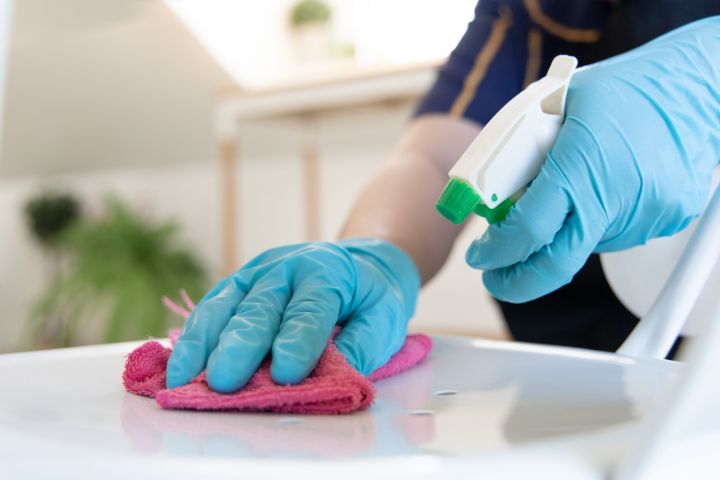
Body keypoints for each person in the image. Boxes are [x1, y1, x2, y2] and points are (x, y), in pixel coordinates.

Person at [167, 1, 720, 393]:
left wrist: (705, 80)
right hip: (575, 362)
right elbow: (435, 159)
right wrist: (376, 250)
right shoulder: (530, 12)